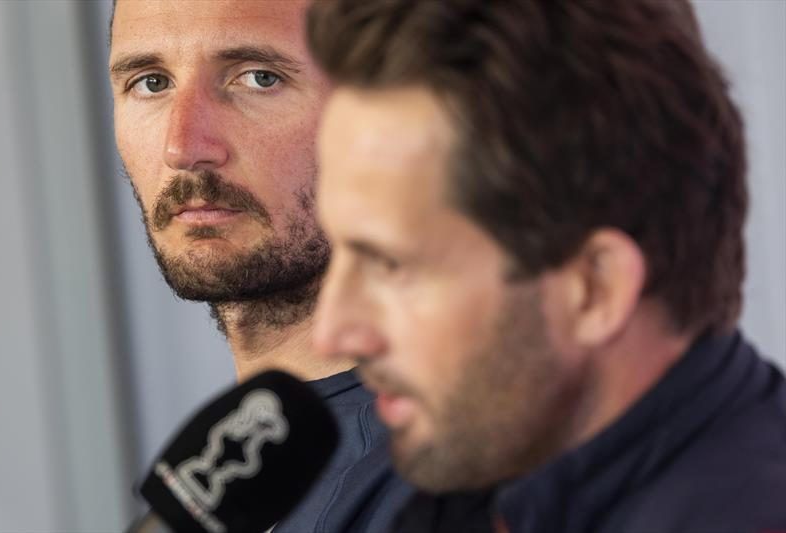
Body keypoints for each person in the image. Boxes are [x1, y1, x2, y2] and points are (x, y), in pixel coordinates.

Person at [308, 0, 786, 531]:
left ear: (595, 288)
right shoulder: (478, 488)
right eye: (340, 251)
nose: (334, 332)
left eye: (391, 265)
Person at [108, 1, 412, 531]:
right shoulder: (222, 478)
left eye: (258, 77)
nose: (183, 147)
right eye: (151, 82)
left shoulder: (440, 481)